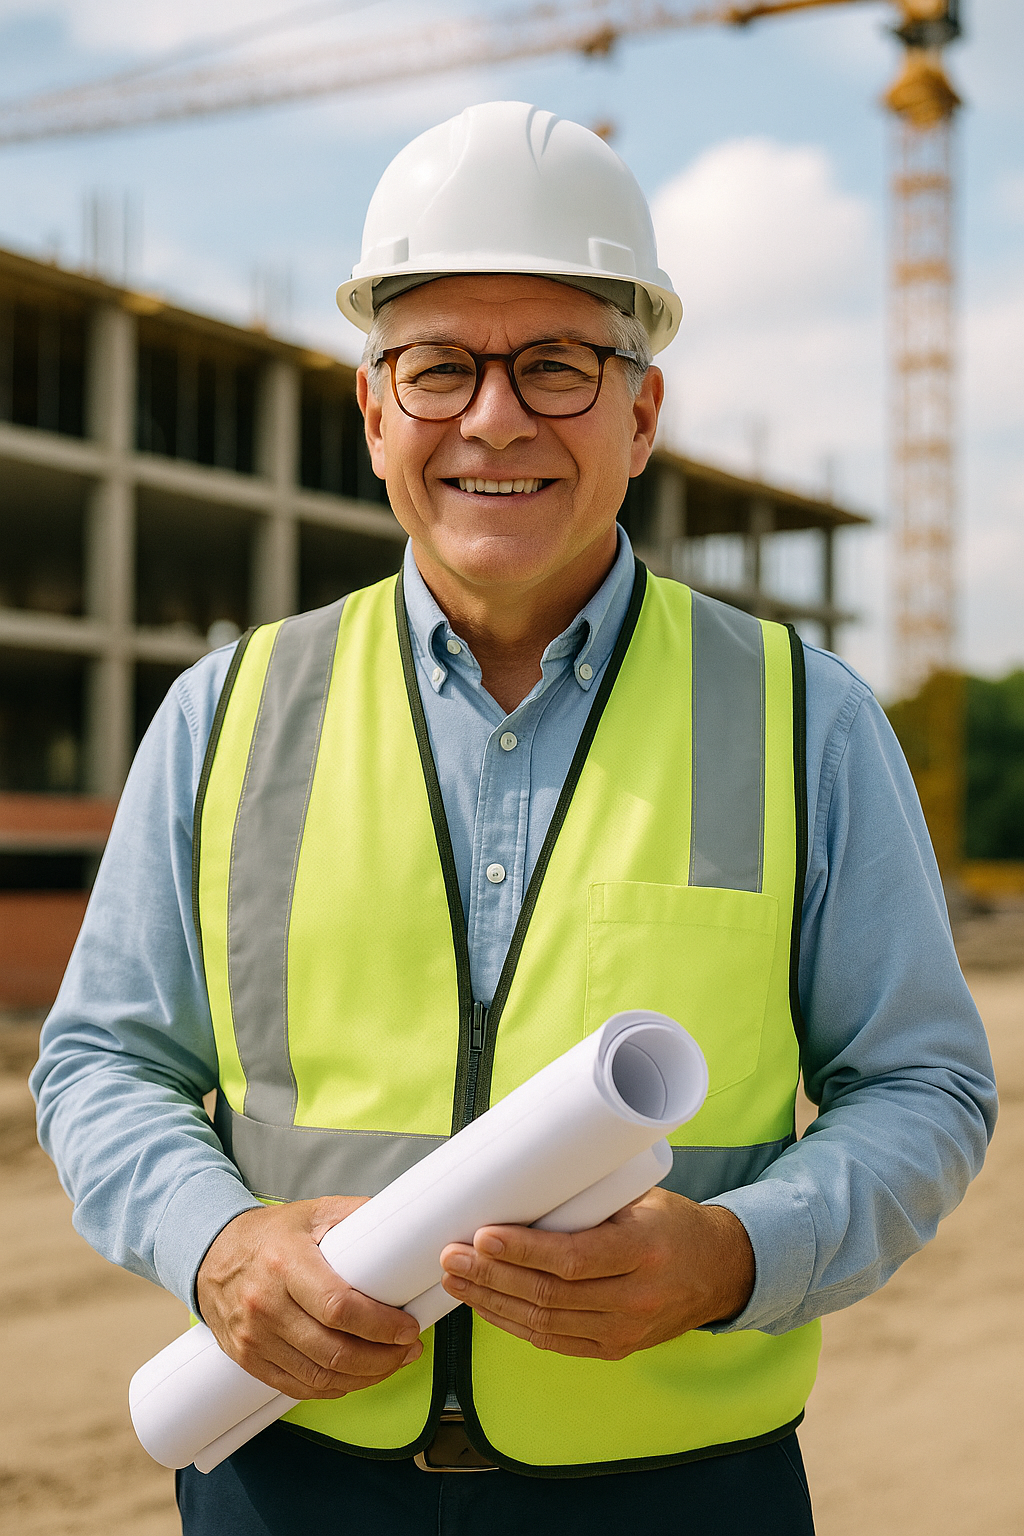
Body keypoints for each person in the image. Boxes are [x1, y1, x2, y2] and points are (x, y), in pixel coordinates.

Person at [32, 101, 996, 1536]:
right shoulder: (232, 711)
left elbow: (926, 1085)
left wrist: (737, 1254)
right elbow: (104, 1062)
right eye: (439, 369)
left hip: (680, 1495)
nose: (495, 418)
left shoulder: (806, 717)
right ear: (374, 414)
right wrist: (217, 1239)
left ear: (641, 414)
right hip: (288, 1477)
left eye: (555, 366)